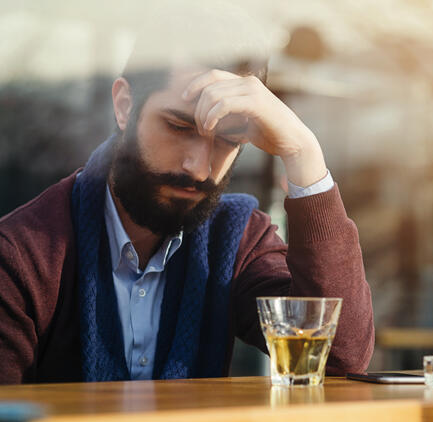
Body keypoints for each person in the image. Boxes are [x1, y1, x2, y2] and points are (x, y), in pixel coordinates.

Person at [0, 3, 374, 384]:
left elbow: (341, 359)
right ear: (125, 105)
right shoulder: (22, 256)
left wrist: (303, 152)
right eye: (179, 126)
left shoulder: (238, 239)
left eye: (228, 139)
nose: (198, 167)